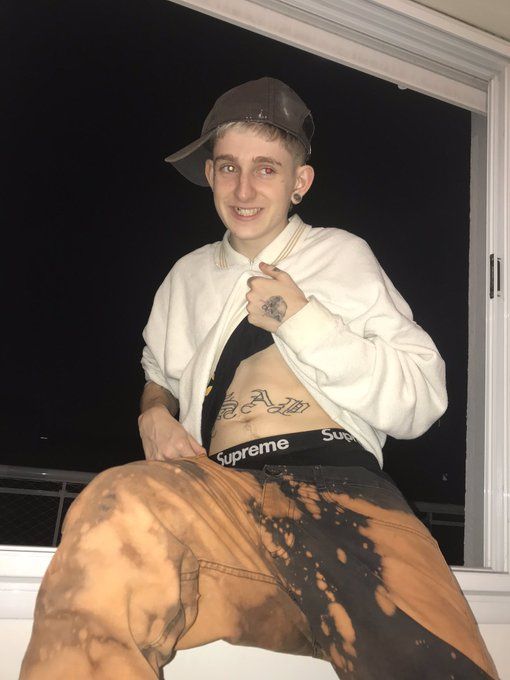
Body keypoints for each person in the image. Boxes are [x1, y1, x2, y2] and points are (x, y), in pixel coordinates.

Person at [20, 77, 498, 679]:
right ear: (212, 175)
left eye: (267, 169)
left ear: (300, 182)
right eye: (228, 168)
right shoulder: (186, 277)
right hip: (224, 500)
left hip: (348, 496)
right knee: (116, 505)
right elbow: (157, 373)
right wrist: (153, 412)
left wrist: (301, 318)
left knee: (445, 667)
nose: (244, 190)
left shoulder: (341, 255)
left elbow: (423, 397)